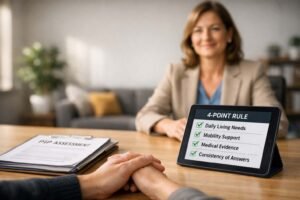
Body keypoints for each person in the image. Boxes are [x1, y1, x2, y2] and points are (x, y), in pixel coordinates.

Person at [135, 0, 288, 141]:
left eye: (215, 29)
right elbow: (144, 117)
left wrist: (230, 133)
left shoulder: (252, 71)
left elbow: (279, 124)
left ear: (229, 34)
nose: (206, 37)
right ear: (190, 38)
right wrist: (169, 126)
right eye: (198, 30)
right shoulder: (175, 71)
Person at [0, 152, 219, 200]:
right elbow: (146, 113)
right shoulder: (176, 70)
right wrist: (159, 186)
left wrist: (89, 184)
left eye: (216, 28)